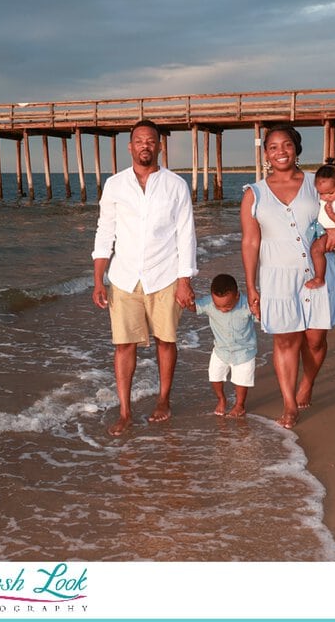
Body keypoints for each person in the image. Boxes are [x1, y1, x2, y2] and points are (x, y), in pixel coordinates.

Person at [241, 123, 335, 430]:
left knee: (316, 340)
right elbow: (251, 242)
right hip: (277, 276)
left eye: (286, 145)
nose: (280, 152)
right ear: (265, 154)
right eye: (273, 147)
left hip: (317, 270)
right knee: (285, 340)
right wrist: (251, 286)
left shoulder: (317, 182)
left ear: (296, 149)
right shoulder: (254, 193)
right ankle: (289, 403)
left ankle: (307, 382)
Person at [92, 121, 197, 436]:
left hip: (165, 273)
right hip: (124, 277)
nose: (145, 146)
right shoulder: (115, 185)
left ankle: (164, 399)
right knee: (124, 345)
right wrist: (99, 278)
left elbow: (186, 233)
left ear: (160, 146)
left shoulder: (175, 185)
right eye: (139, 141)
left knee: (167, 340)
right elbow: (104, 231)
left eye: (151, 141)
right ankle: (125, 411)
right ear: (130, 147)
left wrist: (185, 279)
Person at [194, 271, 257, 418]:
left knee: (241, 380)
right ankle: (221, 399)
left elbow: (261, 319)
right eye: (218, 306)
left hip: (244, 352)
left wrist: (258, 311)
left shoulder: (247, 305)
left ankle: (239, 405)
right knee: (214, 376)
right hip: (220, 351)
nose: (223, 309)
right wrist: (188, 301)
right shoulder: (209, 302)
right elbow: (194, 307)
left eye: (228, 305)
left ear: (237, 295)